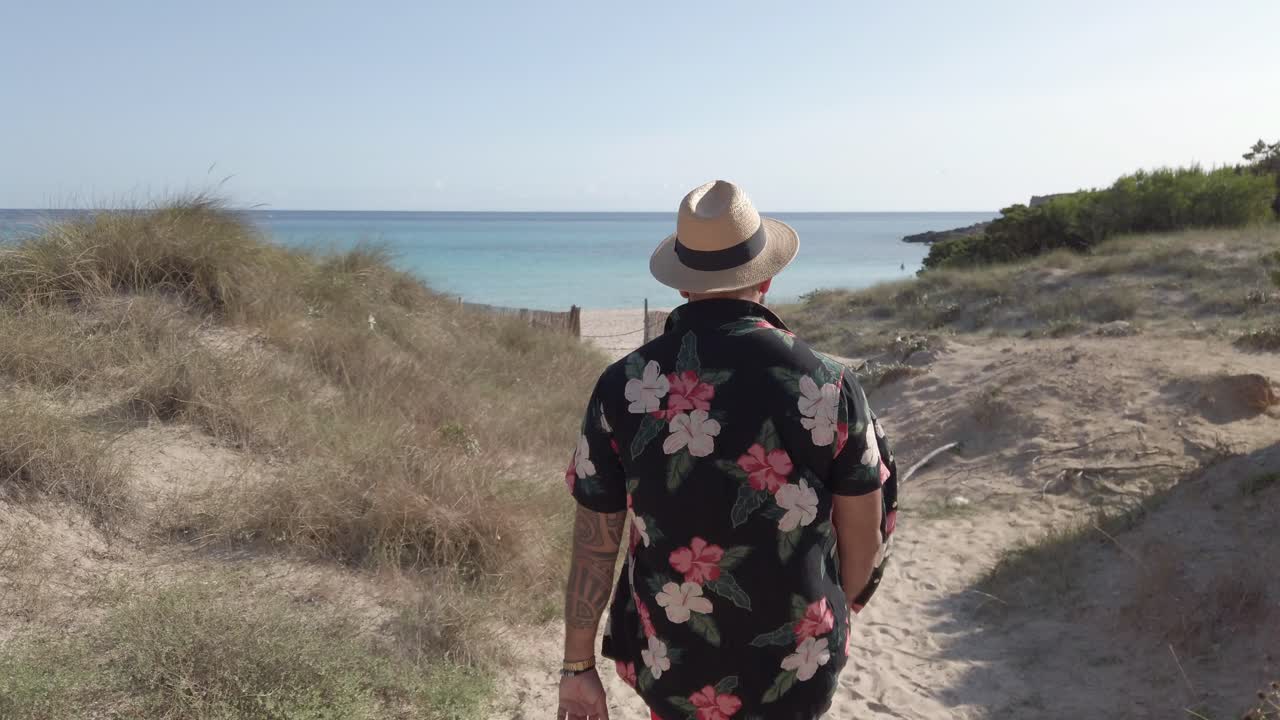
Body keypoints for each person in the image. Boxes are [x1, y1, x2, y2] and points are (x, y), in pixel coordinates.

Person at [558, 180, 899, 720]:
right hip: (799, 663)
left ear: (682, 285)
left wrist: (578, 667)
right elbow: (865, 535)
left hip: (672, 662)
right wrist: (829, 616)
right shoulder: (829, 384)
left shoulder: (623, 386)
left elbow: (596, 542)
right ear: (766, 276)